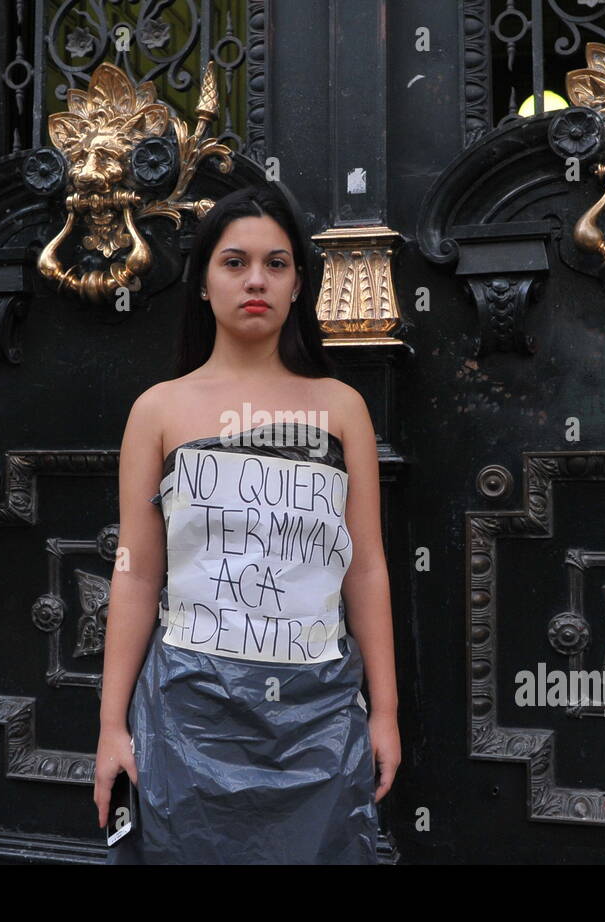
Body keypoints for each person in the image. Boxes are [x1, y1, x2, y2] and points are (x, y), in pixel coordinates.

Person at [94, 182, 400, 864]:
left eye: (277, 263)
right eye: (234, 262)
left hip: (318, 713)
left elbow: (367, 566)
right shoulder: (159, 411)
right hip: (187, 713)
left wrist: (385, 713)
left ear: (298, 284)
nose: (255, 280)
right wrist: (113, 726)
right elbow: (138, 573)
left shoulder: (341, 407)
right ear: (203, 284)